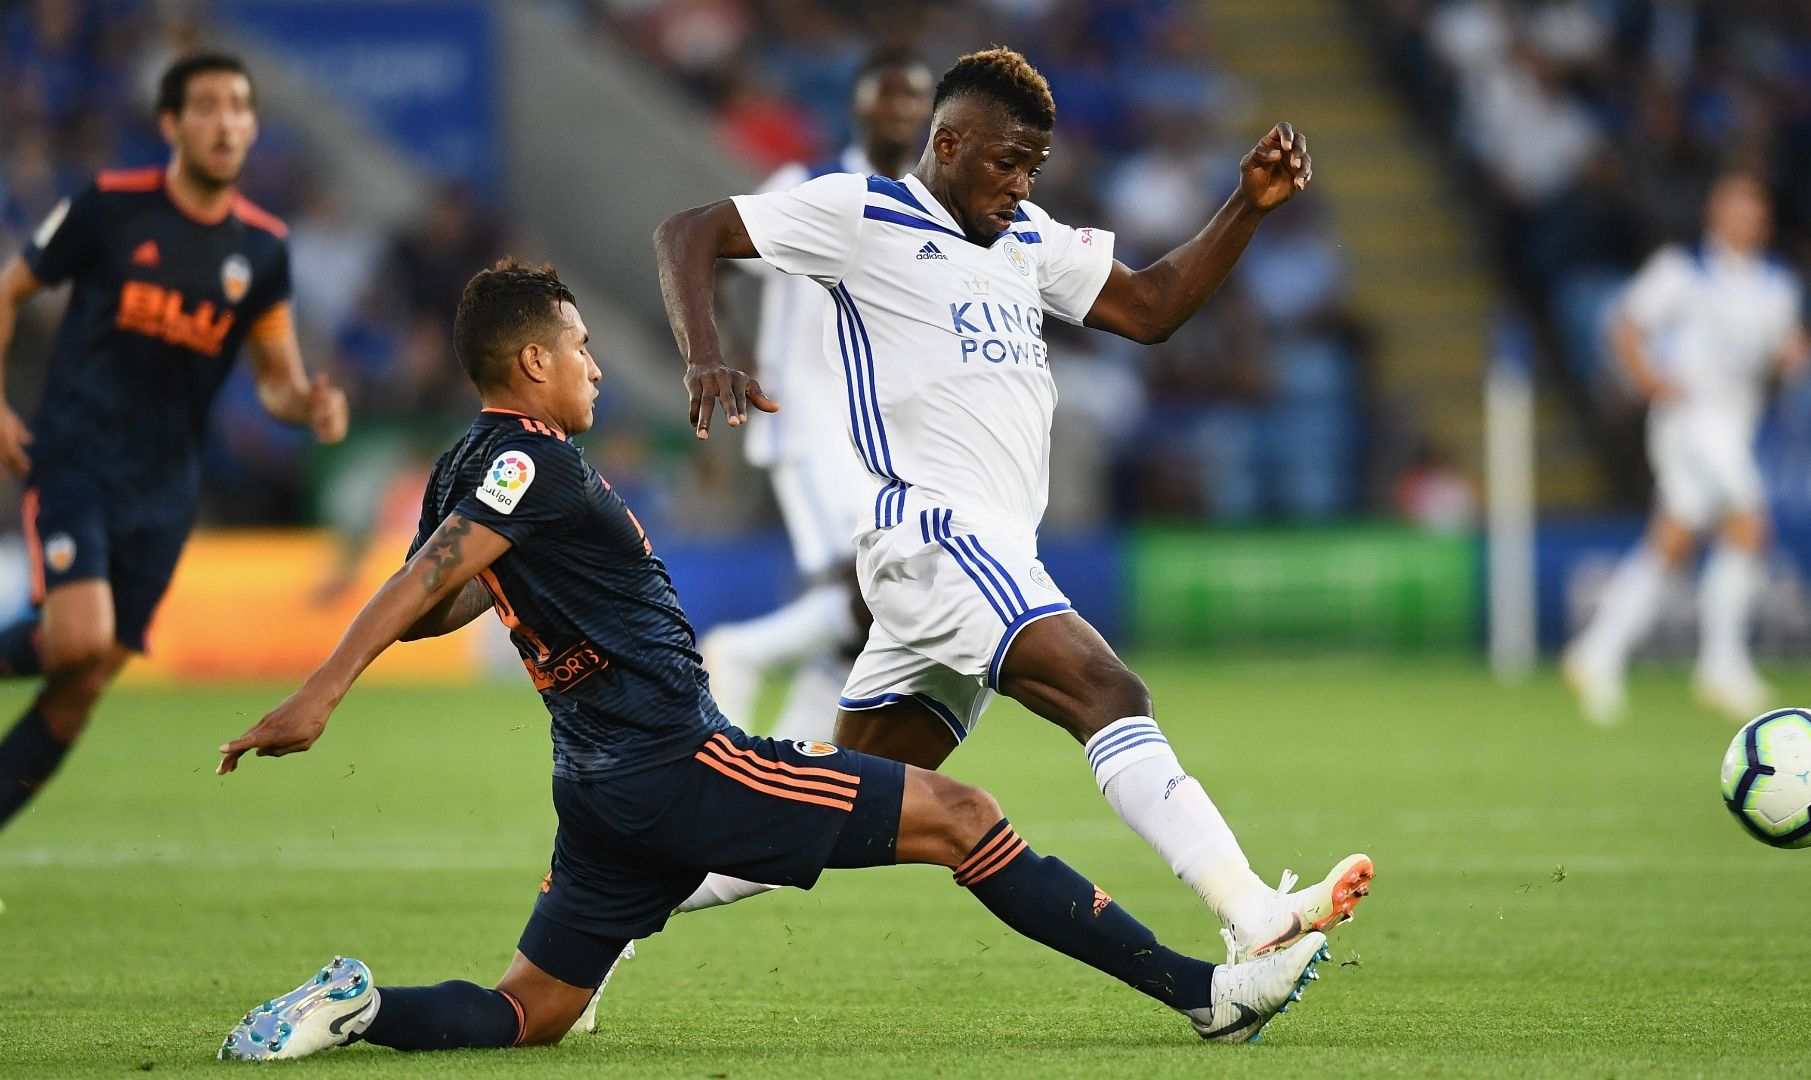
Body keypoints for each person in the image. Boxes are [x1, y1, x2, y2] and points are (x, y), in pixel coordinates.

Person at [211, 260, 1335, 1060]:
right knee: (964, 815)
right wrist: (317, 696)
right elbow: (423, 582)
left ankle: (357, 1010)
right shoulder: (524, 465)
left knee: (532, 1010)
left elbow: (440, 601)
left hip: (598, 788)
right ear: (533, 358)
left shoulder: (466, 464)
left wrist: (448, 603)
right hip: (671, 763)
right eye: (583, 345)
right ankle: (1207, 995)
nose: (597, 364)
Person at [655, 48, 1371, 959]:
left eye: (1034, 165)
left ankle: (616, 901)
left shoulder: (1027, 236)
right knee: (1109, 691)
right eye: (1005, 163)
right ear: (947, 145)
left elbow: (1151, 307)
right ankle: (1251, 914)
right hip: (936, 533)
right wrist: (705, 352)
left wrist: (1246, 209)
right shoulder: (859, 211)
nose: (1021, 183)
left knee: (828, 810)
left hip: (987, 551)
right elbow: (689, 229)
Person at [0, 53, 348, 830]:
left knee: (80, 687)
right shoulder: (109, 206)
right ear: (171, 124)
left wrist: (312, 405)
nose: (226, 121)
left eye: (239, 107)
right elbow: (12, 288)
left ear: (253, 126)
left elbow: (276, 381)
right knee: (79, 641)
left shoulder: (261, 249)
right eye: (207, 106)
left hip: (164, 492)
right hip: (77, 458)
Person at [700, 48, 934, 744]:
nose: (902, 111)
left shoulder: (926, 207)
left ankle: (786, 786)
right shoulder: (810, 184)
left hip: (877, 437)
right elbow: (716, 257)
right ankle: (741, 652)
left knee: (868, 623)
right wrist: (731, 354)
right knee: (873, 595)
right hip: (808, 424)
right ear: (858, 106)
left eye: (915, 99)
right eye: (887, 97)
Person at [1562, 171, 1810, 725]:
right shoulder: (1682, 270)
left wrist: (1793, 357)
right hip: (1691, 420)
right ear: (1714, 214)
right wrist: (1648, 379)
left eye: (1753, 205)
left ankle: (1596, 652)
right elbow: (1625, 324)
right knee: (1749, 524)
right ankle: (1722, 668)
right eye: (1734, 204)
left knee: (1671, 541)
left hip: (1735, 423)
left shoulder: (1777, 286)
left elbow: (1783, 351)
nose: (1745, 215)